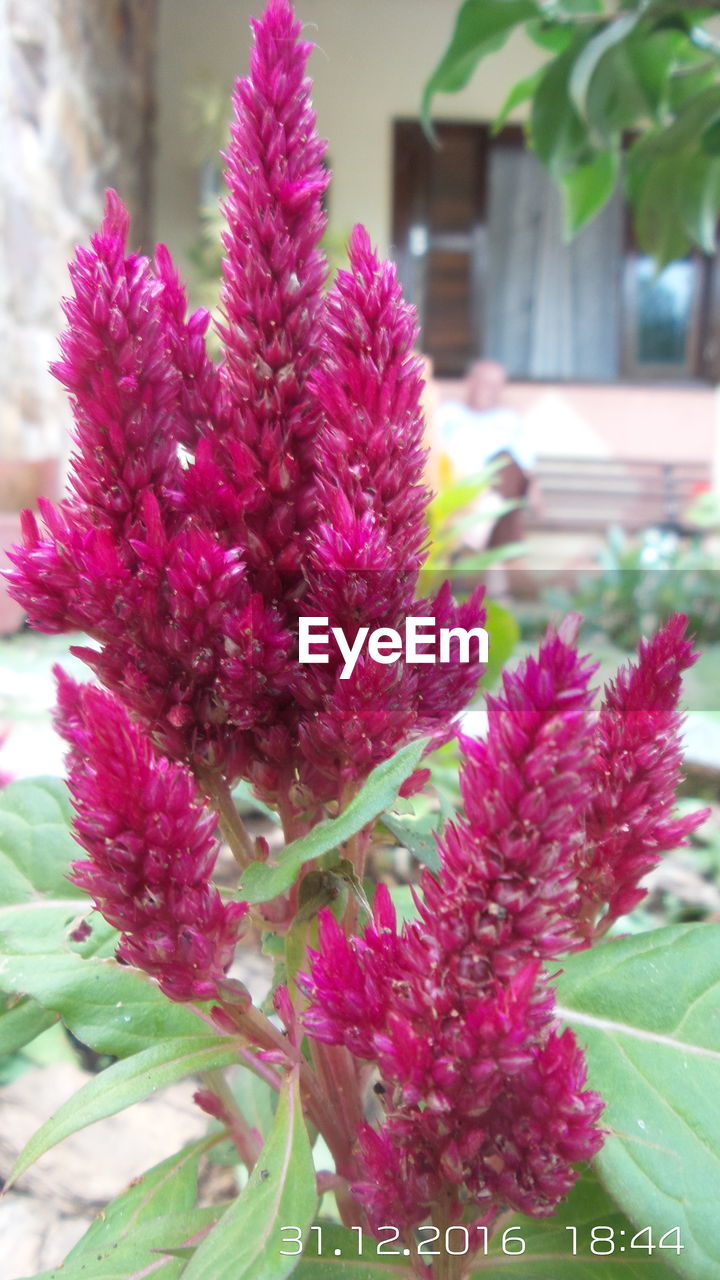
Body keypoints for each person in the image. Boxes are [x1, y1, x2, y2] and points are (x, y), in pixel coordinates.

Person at [435, 359, 534, 551]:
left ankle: (474, 537)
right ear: (469, 382)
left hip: (497, 487)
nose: (493, 390)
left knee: (506, 462)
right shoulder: (448, 414)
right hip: (454, 485)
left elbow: (525, 467)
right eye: (488, 383)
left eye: (499, 386)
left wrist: (535, 495)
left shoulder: (509, 420)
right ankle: (485, 549)